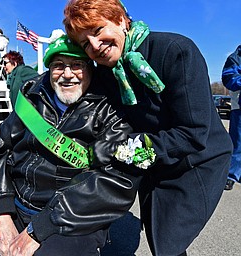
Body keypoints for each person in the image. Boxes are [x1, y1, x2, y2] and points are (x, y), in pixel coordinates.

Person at [0, 34, 143, 256]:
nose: (67, 74)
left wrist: (40, 228)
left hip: (69, 215)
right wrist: (0, 208)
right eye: (58, 65)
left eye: (76, 65)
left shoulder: (111, 109)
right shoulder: (33, 95)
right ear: (49, 69)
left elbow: (117, 181)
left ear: (90, 67)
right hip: (16, 197)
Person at [63, 1, 233, 255]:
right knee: (157, 233)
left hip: (196, 159)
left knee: (169, 239)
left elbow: (194, 133)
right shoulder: (106, 72)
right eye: (85, 44)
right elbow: (72, 85)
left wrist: (120, 149)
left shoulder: (176, 51)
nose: (95, 46)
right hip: (152, 158)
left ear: (121, 19)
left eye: (98, 31)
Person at [221, 45, 241, 190]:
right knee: (238, 142)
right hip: (239, 107)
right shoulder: (235, 57)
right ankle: (230, 175)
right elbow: (229, 78)